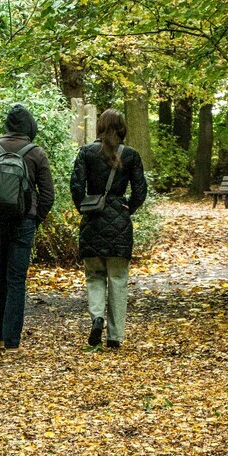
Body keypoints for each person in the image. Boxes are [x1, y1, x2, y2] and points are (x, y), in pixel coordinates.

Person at [0, 104, 55, 354]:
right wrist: (34, 220)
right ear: (29, 127)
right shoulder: (36, 153)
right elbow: (48, 195)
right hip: (23, 223)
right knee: (16, 279)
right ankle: (12, 341)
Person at [70, 108, 147, 350]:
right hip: (120, 224)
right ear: (123, 128)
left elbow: (75, 185)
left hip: (92, 220)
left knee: (94, 276)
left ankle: (97, 318)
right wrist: (127, 209)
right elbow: (140, 191)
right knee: (118, 279)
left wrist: (84, 207)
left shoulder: (86, 152)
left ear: (99, 127)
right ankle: (114, 336)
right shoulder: (131, 155)